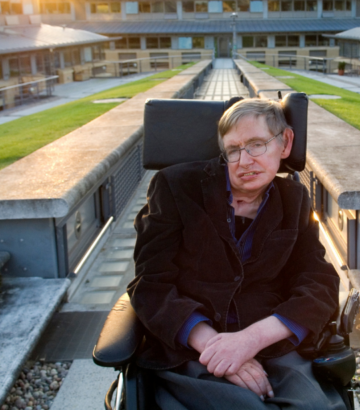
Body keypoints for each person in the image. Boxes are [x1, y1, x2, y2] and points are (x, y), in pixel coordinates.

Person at [127, 98, 343, 409]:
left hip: (272, 346)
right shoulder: (176, 187)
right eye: (233, 150)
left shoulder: (294, 198)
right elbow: (149, 284)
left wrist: (249, 340)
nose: (244, 161)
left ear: (285, 143)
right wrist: (217, 348)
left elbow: (319, 281)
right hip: (191, 349)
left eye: (257, 144)